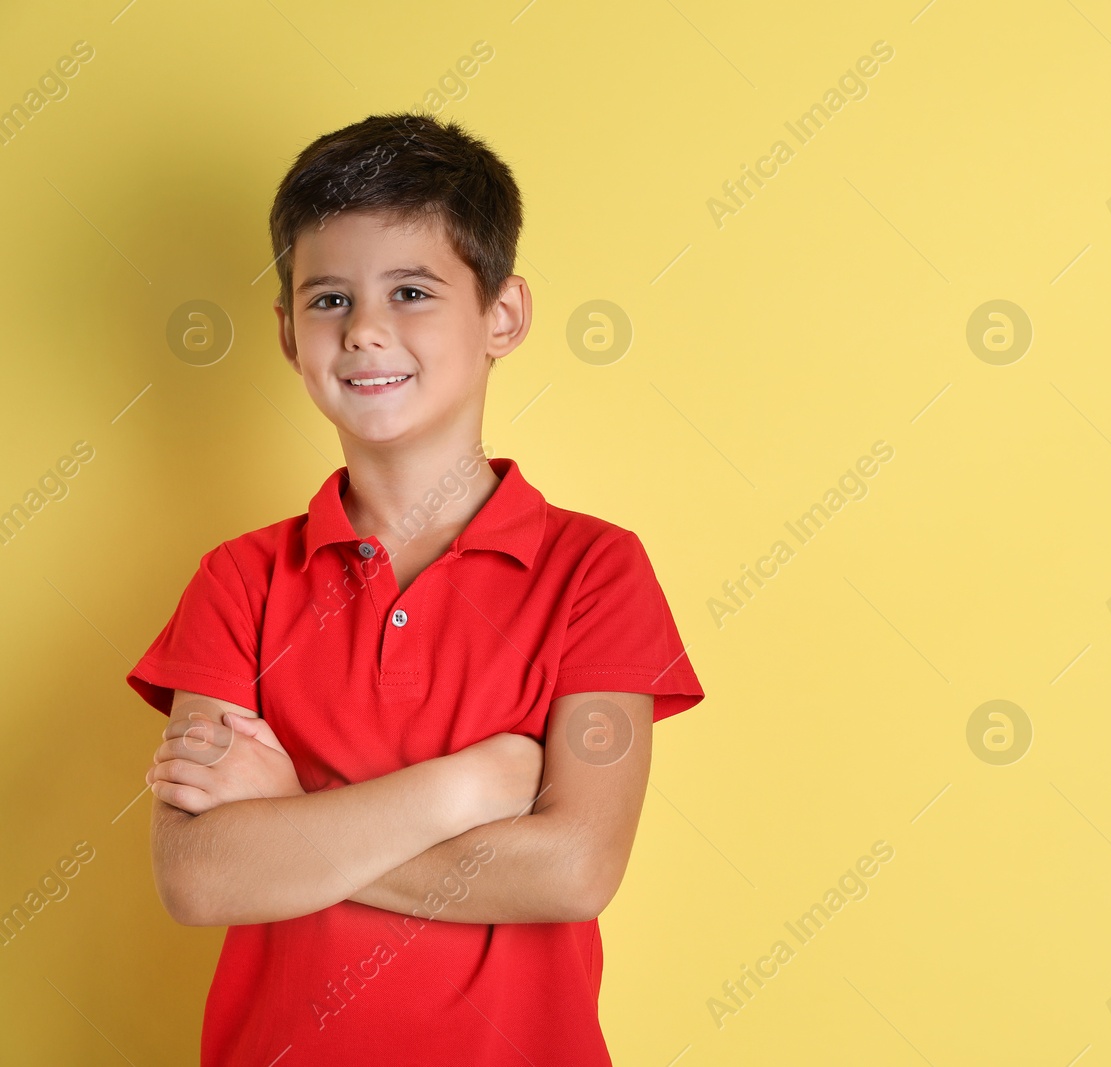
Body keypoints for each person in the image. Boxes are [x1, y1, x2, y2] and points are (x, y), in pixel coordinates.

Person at [126, 112, 704, 1065]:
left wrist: (293, 814)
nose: (365, 332)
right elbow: (201, 877)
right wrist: (467, 788)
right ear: (287, 332)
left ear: (502, 316)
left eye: (411, 290)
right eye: (327, 299)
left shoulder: (597, 570)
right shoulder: (239, 581)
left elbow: (572, 869)